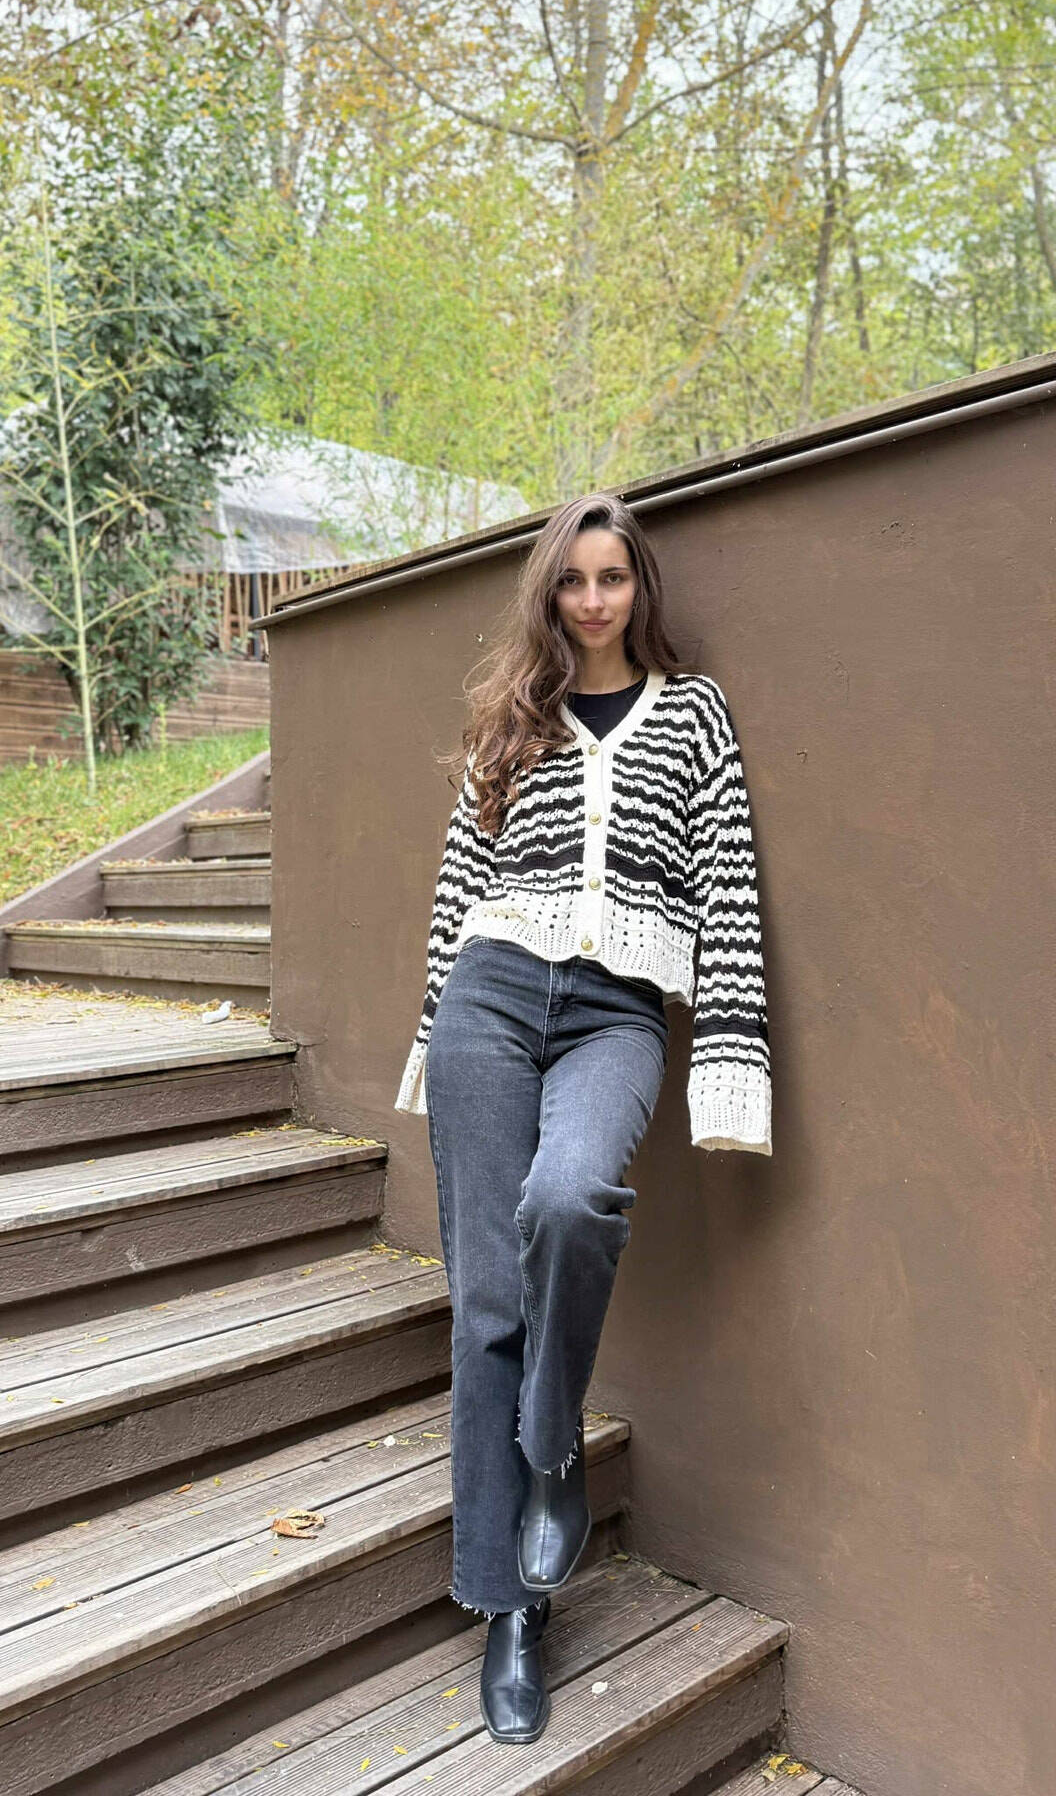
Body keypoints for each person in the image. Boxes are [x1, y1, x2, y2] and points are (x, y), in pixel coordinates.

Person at [393, 491, 772, 1744]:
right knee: (487, 1303)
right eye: (574, 580)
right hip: (490, 1000)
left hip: (618, 1012)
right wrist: (429, 1040)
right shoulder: (513, 716)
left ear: (638, 587)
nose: (594, 600)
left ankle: (552, 1447)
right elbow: (459, 887)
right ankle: (509, 1611)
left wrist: (731, 1069)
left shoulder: (694, 714)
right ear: (549, 593)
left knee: (569, 1200)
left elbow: (729, 890)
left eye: (613, 577)